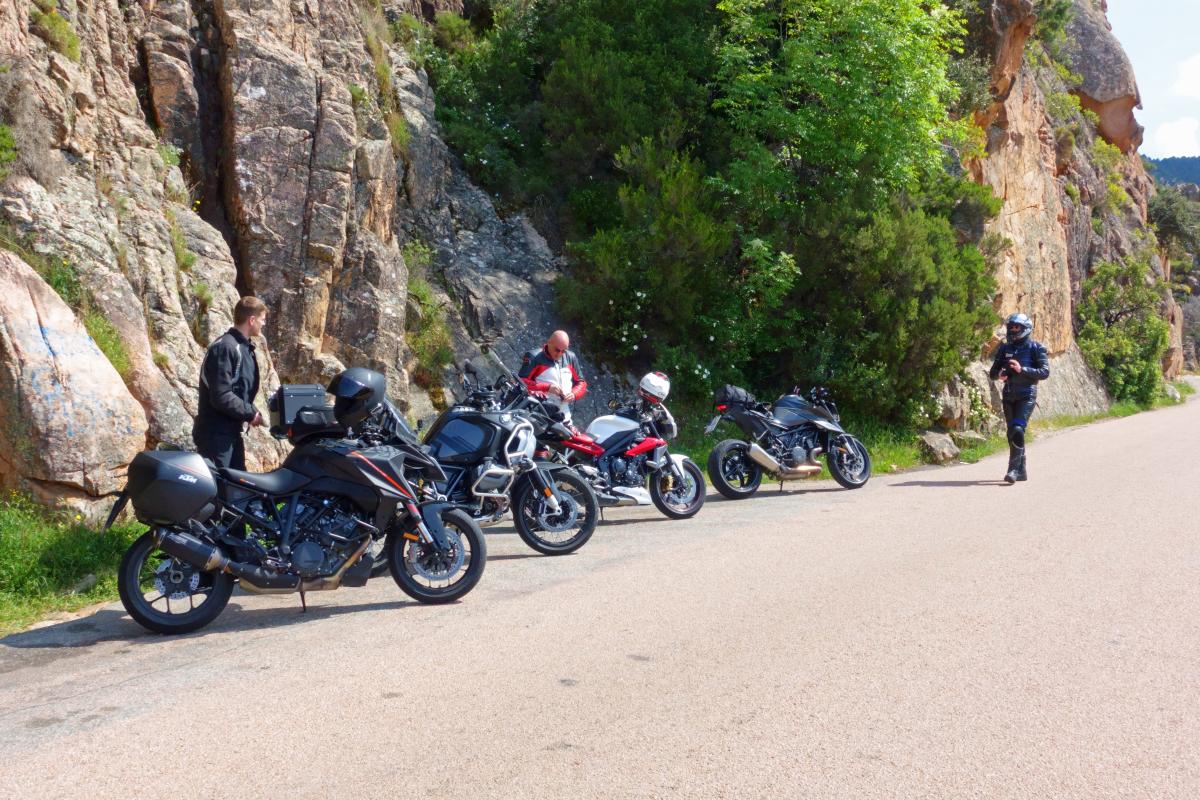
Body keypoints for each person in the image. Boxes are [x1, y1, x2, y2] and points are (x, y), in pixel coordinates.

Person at [193, 296, 268, 470]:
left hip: (231, 432)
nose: (263, 324)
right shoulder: (226, 347)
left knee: (237, 485)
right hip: (215, 435)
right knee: (218, 485)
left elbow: (239, 391)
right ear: (252, 320)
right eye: (262, 319)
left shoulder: (244, 347)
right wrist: (250, 413)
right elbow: (221, 395)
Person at [988, 312, 1050, 484]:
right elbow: (993, 372)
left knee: (1017, 428)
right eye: (1011, 327)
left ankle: (1013, 470)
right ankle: (1021, 470)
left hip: (1026, 395)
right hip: (1008, 395)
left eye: (1017, 327)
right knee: (1012, 433)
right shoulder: (1004, 348)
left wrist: (1021, 369)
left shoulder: (1036, 347)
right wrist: (1000, 374)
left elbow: (1044, 372)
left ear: (1026, 329)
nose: (1013, 330)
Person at [518, 330, 588, 423]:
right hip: (537, 411)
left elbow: (582, 383)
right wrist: (547, 387)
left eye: (563, 351)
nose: (559, 354)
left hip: (563, 416)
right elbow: (520, 382)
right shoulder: (534, 356)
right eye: (557, 350)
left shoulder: (570, 357)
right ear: (549, 342)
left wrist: (574, 394)